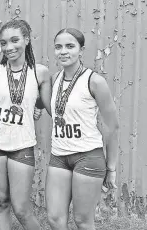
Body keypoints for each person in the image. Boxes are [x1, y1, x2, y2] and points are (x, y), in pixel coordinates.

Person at [46, 28, 119, 230]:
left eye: (70, 46)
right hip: (59, 155)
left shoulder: (95, 81)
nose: (63, 51)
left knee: (83, 221)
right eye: (58, 47)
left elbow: (112, 127)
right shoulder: (54, 79)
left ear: (81, 50)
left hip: (87, 156)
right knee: (54, 219)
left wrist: (111, 168)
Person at [0, 19, 51, 230]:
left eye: (14, 40)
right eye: (4, 43)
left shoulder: (40, 72)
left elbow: (45, 102)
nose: (9, 47)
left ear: (27, 40)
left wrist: (36, 107)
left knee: (21, 208)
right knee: (2, 202)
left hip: (22, 144)